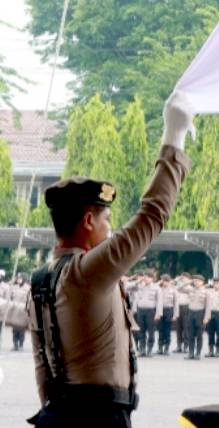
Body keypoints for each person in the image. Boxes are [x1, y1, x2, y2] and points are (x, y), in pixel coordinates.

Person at [24, 93, 192, 427]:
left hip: (58, 414)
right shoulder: (88, 271)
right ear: (88, 222)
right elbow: (152, 215)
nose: (110, 228)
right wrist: (175, 136)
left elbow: (42, 368)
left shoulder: (41, 279)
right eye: (106, 220)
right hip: (98, 417)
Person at [179, 275, 210, 360]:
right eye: (195, 281)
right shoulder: (190, 289)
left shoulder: (206, 292)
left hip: (200, 313)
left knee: (199, 335)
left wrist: (206, 317)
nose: (196, 282)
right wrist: (188, 282)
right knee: (190, 334)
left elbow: (208, 306)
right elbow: (179, 289)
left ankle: (198, 353)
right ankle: (191, 353)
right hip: (191, 313)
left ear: (202, 282)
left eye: (198, 281)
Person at [133, 271, 163, 357]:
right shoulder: (140, 286)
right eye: (144, 277)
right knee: (141, 331)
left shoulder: (157, 288)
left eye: (147, 277)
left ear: (152, 279)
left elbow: (159, 302)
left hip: (151, 311)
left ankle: (149, 349)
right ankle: (142, 350)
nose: (145, 279)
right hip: (141, 311)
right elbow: (132, 292)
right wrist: (135, 309)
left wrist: (158, 313)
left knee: (151, 331)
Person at [157, 274, 178, 356]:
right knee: (160, 330)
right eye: (163, 280)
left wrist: (175, 314)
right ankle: (160, 347)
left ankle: (166, 347)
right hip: (160, 310)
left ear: (169, 282)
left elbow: (176, 303)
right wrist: (159, 282)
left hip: (169, 310)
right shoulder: (158, 289)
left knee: (167, 330)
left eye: (166, 281)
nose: (164, 282)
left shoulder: (173, 290)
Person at [10, 274, 31, 351]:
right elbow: (11, 297)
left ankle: (21, 344)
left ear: (23, 279)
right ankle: (15, 344)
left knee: (21, 328)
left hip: (22, 310)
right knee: (14, 328)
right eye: (18, 279)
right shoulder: (14, 287)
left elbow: (29, 299)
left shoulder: (28, 288)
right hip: (15, 310)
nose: (19, 280)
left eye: (20, 279)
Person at [173, 272, 191, 353]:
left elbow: (181, 288)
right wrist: (176, 280)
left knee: (186, 327)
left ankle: (186, 346)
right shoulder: (178, 286)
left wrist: (186, 283)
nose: (183, 279)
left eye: (184, 278)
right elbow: (174, 286)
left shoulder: (190, 287)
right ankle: (179, 345)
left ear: (188, 279)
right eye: (182, 278)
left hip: (186, 308)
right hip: (178, 308)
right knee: (178, 328)